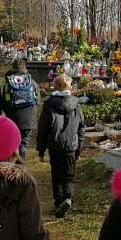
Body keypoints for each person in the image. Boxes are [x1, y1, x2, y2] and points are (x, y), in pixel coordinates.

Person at [36, 73, 85, 218]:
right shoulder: (76, 104)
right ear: (70, 86)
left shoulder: (49, 104)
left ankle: (58, 202)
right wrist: (79, 148)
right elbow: (81, 127)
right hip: (71, 145)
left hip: (55, 145)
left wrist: (41, 149)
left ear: (55, 87)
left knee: (56, 174)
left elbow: (43, 128)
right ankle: (67, 198)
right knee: (69, 174)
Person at [3, 60, 41, 161]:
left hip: (13, 118)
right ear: (25, 68)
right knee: (24, 143)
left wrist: (8, 113)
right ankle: (20, 167)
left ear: (14, 68)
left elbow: (5, 101)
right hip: (29, 118)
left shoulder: (8, 84)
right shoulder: (32, 82)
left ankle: (10, 167)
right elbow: (38, 100)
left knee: (13, 142)